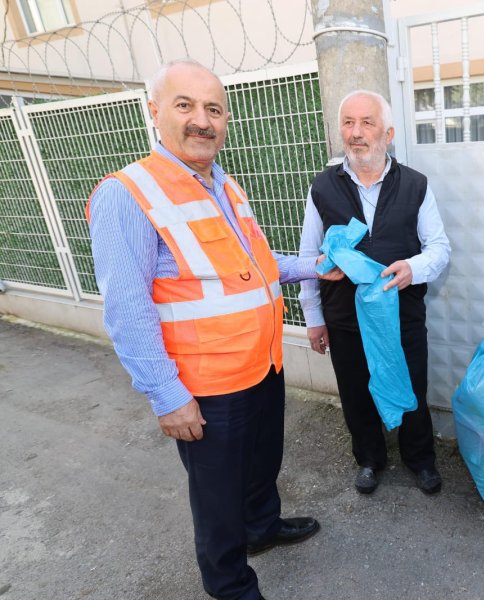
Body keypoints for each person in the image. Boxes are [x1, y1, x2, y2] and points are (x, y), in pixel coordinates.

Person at [87, 59, 341, 600]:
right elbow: (126, 308)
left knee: (260, 466)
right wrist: (167, 396)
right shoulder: (128, 193)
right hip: (204, 385)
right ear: (154, 113)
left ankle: (263, 529)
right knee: (217, 496)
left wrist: (315, 266)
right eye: (185, 106)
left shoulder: (225, 185)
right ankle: (231, 586)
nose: (202, 120)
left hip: (262, 365)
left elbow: (257, 264)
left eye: (213, 109)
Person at [299, 90, 451, 496]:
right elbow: (308, 257)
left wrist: (412, 269)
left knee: (411, 386)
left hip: (401, 313)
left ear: (388, 133)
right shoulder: (322, 188)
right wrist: (313, 318)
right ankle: (369, 458)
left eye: (367, 123)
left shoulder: (415, 185)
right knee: (355, 390)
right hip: (344, 317)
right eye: (348, 123)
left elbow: (439, 248)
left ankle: (419, 459)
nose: (357, 133)